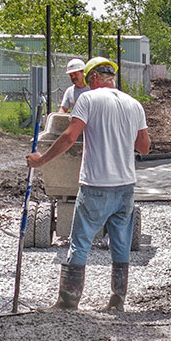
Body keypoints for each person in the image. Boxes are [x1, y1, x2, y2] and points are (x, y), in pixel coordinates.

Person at [27, 57, 150, 312]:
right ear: (111, 78)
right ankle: (117, 301)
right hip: (126, 185)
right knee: (120, 244)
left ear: (93, 78)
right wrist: (122, 135)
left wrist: (42, 160)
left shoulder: (88, 100)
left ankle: (68, 300)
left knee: (80, 242)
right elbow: (144, 147)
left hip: (96, 183)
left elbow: (70, 137)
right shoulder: (133, 104)